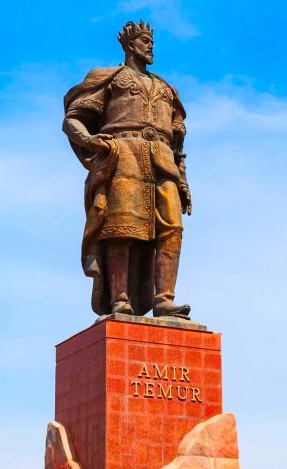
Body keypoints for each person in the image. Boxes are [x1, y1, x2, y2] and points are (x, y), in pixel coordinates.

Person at [63, 20, 192, 319]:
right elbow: (73, 120)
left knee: (172, 226)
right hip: (123, 155)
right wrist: (92, 140)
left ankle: (164, 299)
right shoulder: (109, 79)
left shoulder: (166, 89)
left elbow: (178, 145)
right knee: (121, 228)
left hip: (162, 160)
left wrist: (183, 181)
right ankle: (120, 298)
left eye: (151, 42)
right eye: (145, 41)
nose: (150, 47)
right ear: (129, 45)